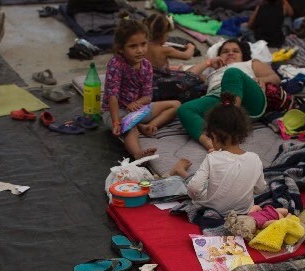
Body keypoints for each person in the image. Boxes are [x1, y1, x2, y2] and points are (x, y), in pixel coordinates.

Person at [171, 92, 266, 216]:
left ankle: (180, 171)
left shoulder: (212, 158)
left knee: (202, 184)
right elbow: (260, 188)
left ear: (214, 135)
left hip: (214, 209)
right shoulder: (255, 159)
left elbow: (194, 188)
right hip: (243, 211)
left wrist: (199, 198)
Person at [102, 13, 181, 159]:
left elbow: (147, 96)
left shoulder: (146, 65)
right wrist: (115, 122)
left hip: (138, 110)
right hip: (115, 112)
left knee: (176, 105)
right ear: (120, 48)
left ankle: (149, 126)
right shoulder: (116, 64)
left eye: (143, 44)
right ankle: (139, 155)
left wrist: (137, 103)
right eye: (133, 46)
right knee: (129, 128)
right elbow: (112, 95)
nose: (140, 50)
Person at [177, 38, 281, 151]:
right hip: (219, 98)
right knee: (184, 109)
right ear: (219, 56)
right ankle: (210, 141)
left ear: (243, 55)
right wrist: (208, 63)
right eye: (225, 51)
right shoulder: (213, 72)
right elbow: (186, 77)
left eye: (235, 51)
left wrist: (262, 79)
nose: (230, 53)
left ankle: (230, 125)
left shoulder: (250, 63)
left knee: (232, 72)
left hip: (249, 96)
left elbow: (275, 78)